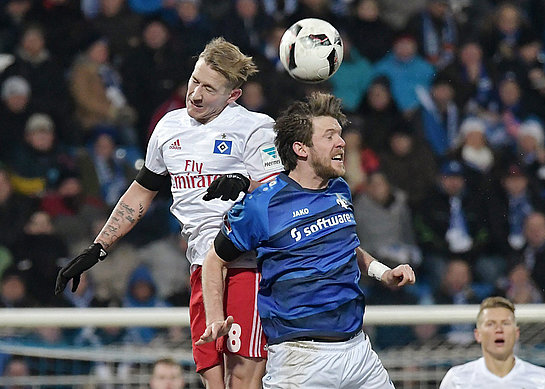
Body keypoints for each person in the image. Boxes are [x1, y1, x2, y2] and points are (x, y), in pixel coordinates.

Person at [55, 37, 284, 389]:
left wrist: (243, 182)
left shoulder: (255, 128)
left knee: (243, 375)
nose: (196, 94)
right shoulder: (168, 127)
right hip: (199, 268)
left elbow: (282, 193)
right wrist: (97, 248)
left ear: (233, 95)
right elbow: (142, 191)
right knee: (213, 378)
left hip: (246, 265)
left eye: (210, 88)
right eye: (195, 81)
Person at [198, 92, 416, 388]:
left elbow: (345, 244)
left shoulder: (340, 188)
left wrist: (383, 272)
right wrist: (214, 317)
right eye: (330, 136)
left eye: (340, 135)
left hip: (359, 352)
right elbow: (214, 260)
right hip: (300, 359)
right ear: (301, 149)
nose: (342, 143)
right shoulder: (262, 205)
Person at [439, 296, 545, 388]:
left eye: (505, 323)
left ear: (516, 333)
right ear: (478, 334)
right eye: (491, 324)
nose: (499, 330)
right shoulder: (457, 379)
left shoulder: (542, 380)